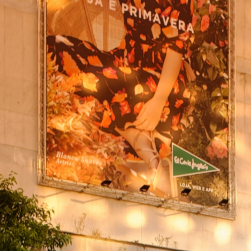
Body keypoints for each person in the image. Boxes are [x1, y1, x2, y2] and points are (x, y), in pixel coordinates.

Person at [46, 0, 227, 195]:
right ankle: (133, 134)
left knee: (98, 82)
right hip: (124, 65)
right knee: (54, 47)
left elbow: (176, 52)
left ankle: (138, 138)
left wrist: (158, 103)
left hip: (160, 82)